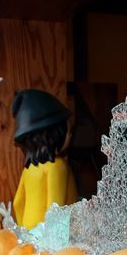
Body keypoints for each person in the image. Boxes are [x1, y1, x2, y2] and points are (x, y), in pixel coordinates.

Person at [11, 89, 77, 229]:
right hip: (50, 237)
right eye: (68, 132)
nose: (70, 136)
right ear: (55, 134)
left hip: (29, 232)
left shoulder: (29, 169)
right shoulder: (57, 166)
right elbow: (55, 208)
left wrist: (25, 230)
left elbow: (17, 203)